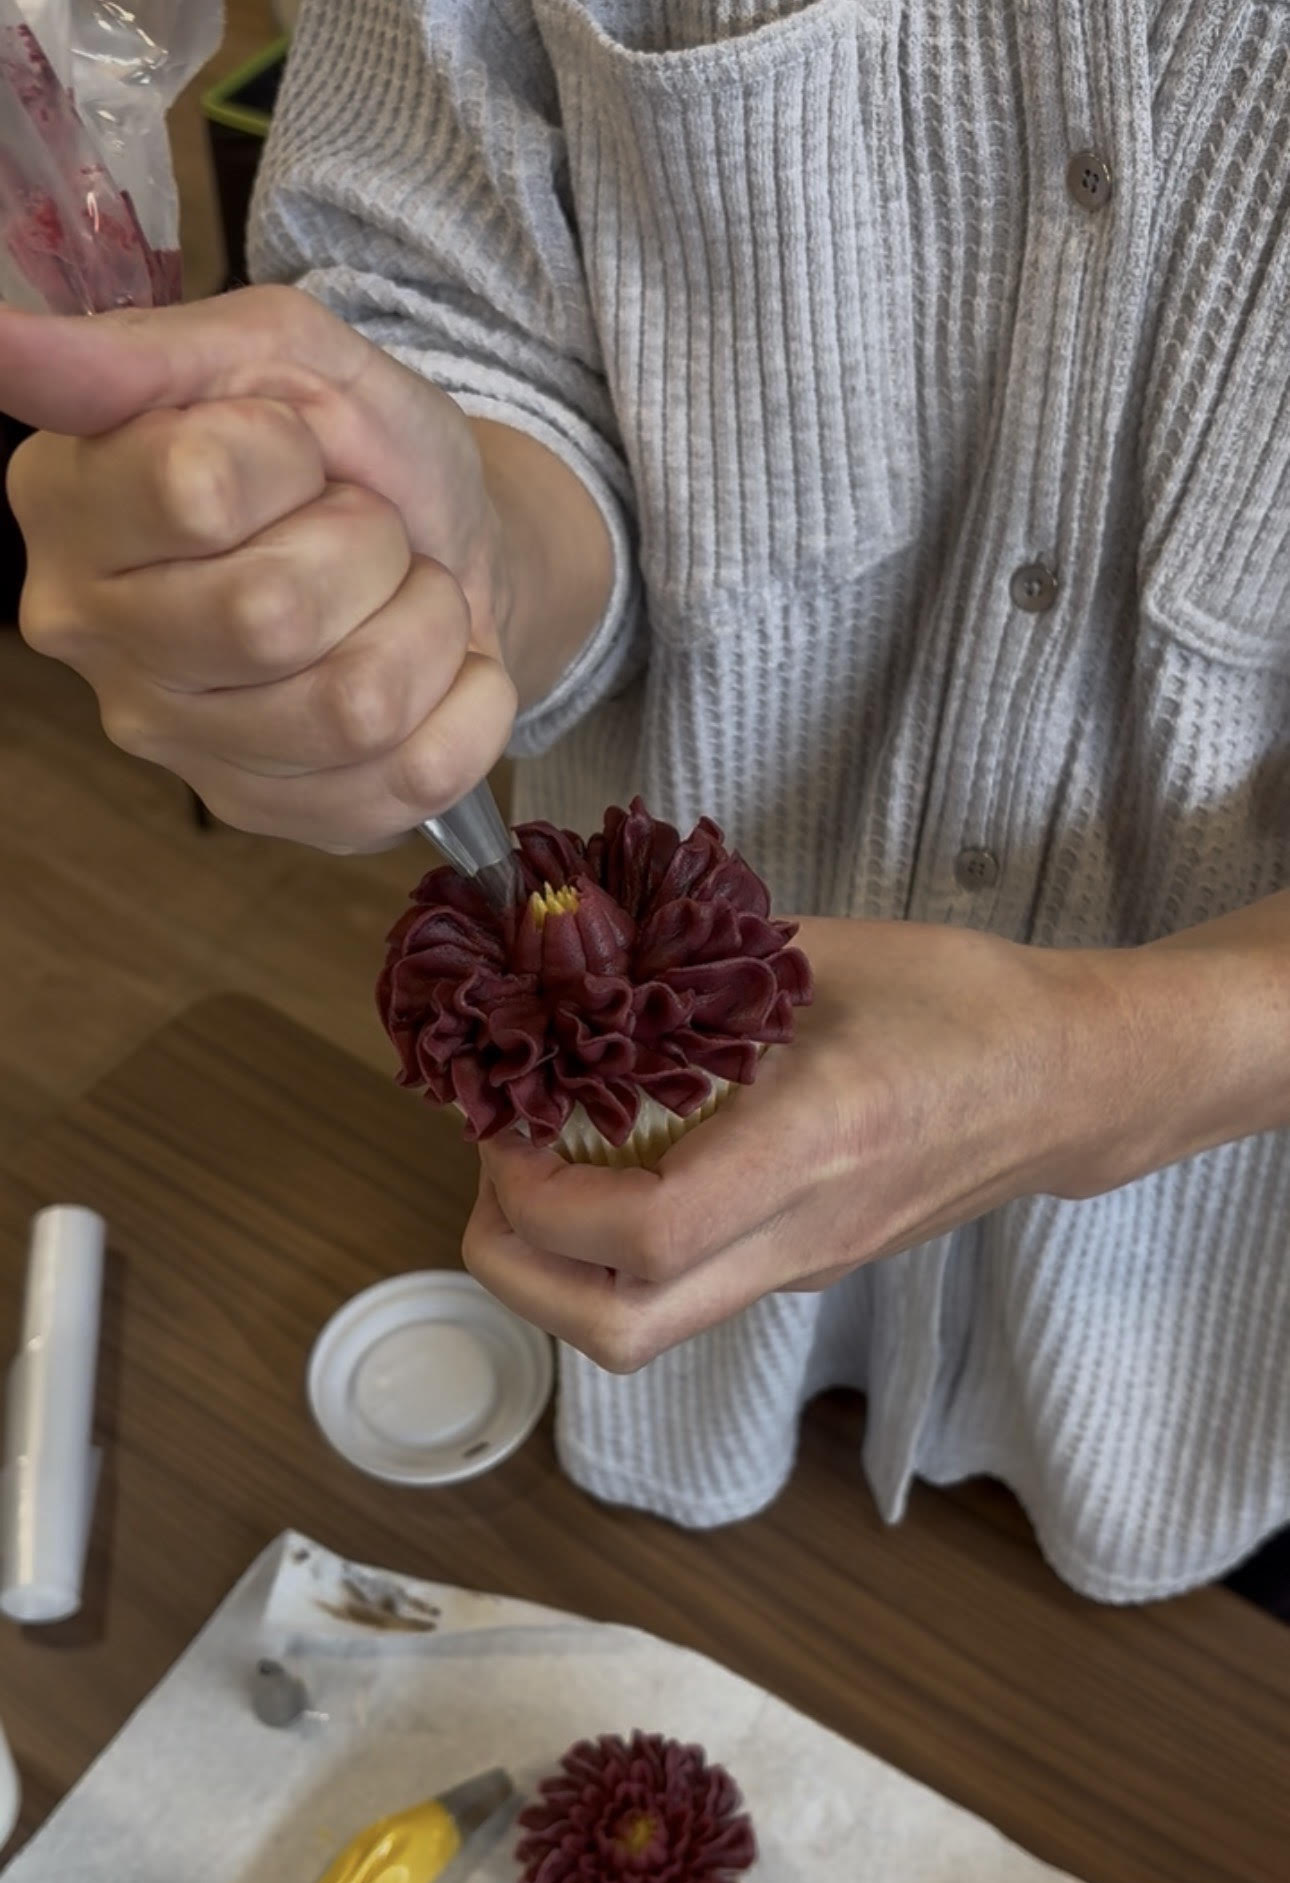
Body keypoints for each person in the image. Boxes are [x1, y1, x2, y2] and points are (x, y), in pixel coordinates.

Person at [3, 0, 1288, 1602]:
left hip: (1206, 1323)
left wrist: (1142, 1060)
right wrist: (439, 558)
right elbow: (456, 309)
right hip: (648, 1282)